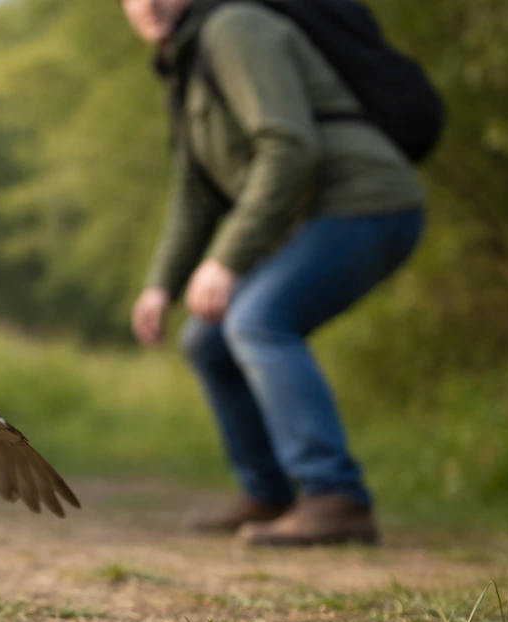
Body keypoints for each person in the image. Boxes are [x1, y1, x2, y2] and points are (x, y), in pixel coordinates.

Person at [120, 0, 426, 546]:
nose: (149, 2)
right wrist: (161, 282)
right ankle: (269, 493)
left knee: (259, 319)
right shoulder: (185, 67)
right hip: (323, 216)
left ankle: (337, 497)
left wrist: (227, 259)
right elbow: (194, 191)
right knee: (207, 340)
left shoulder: (236, 29)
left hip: (371, 202)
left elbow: (289, 145)